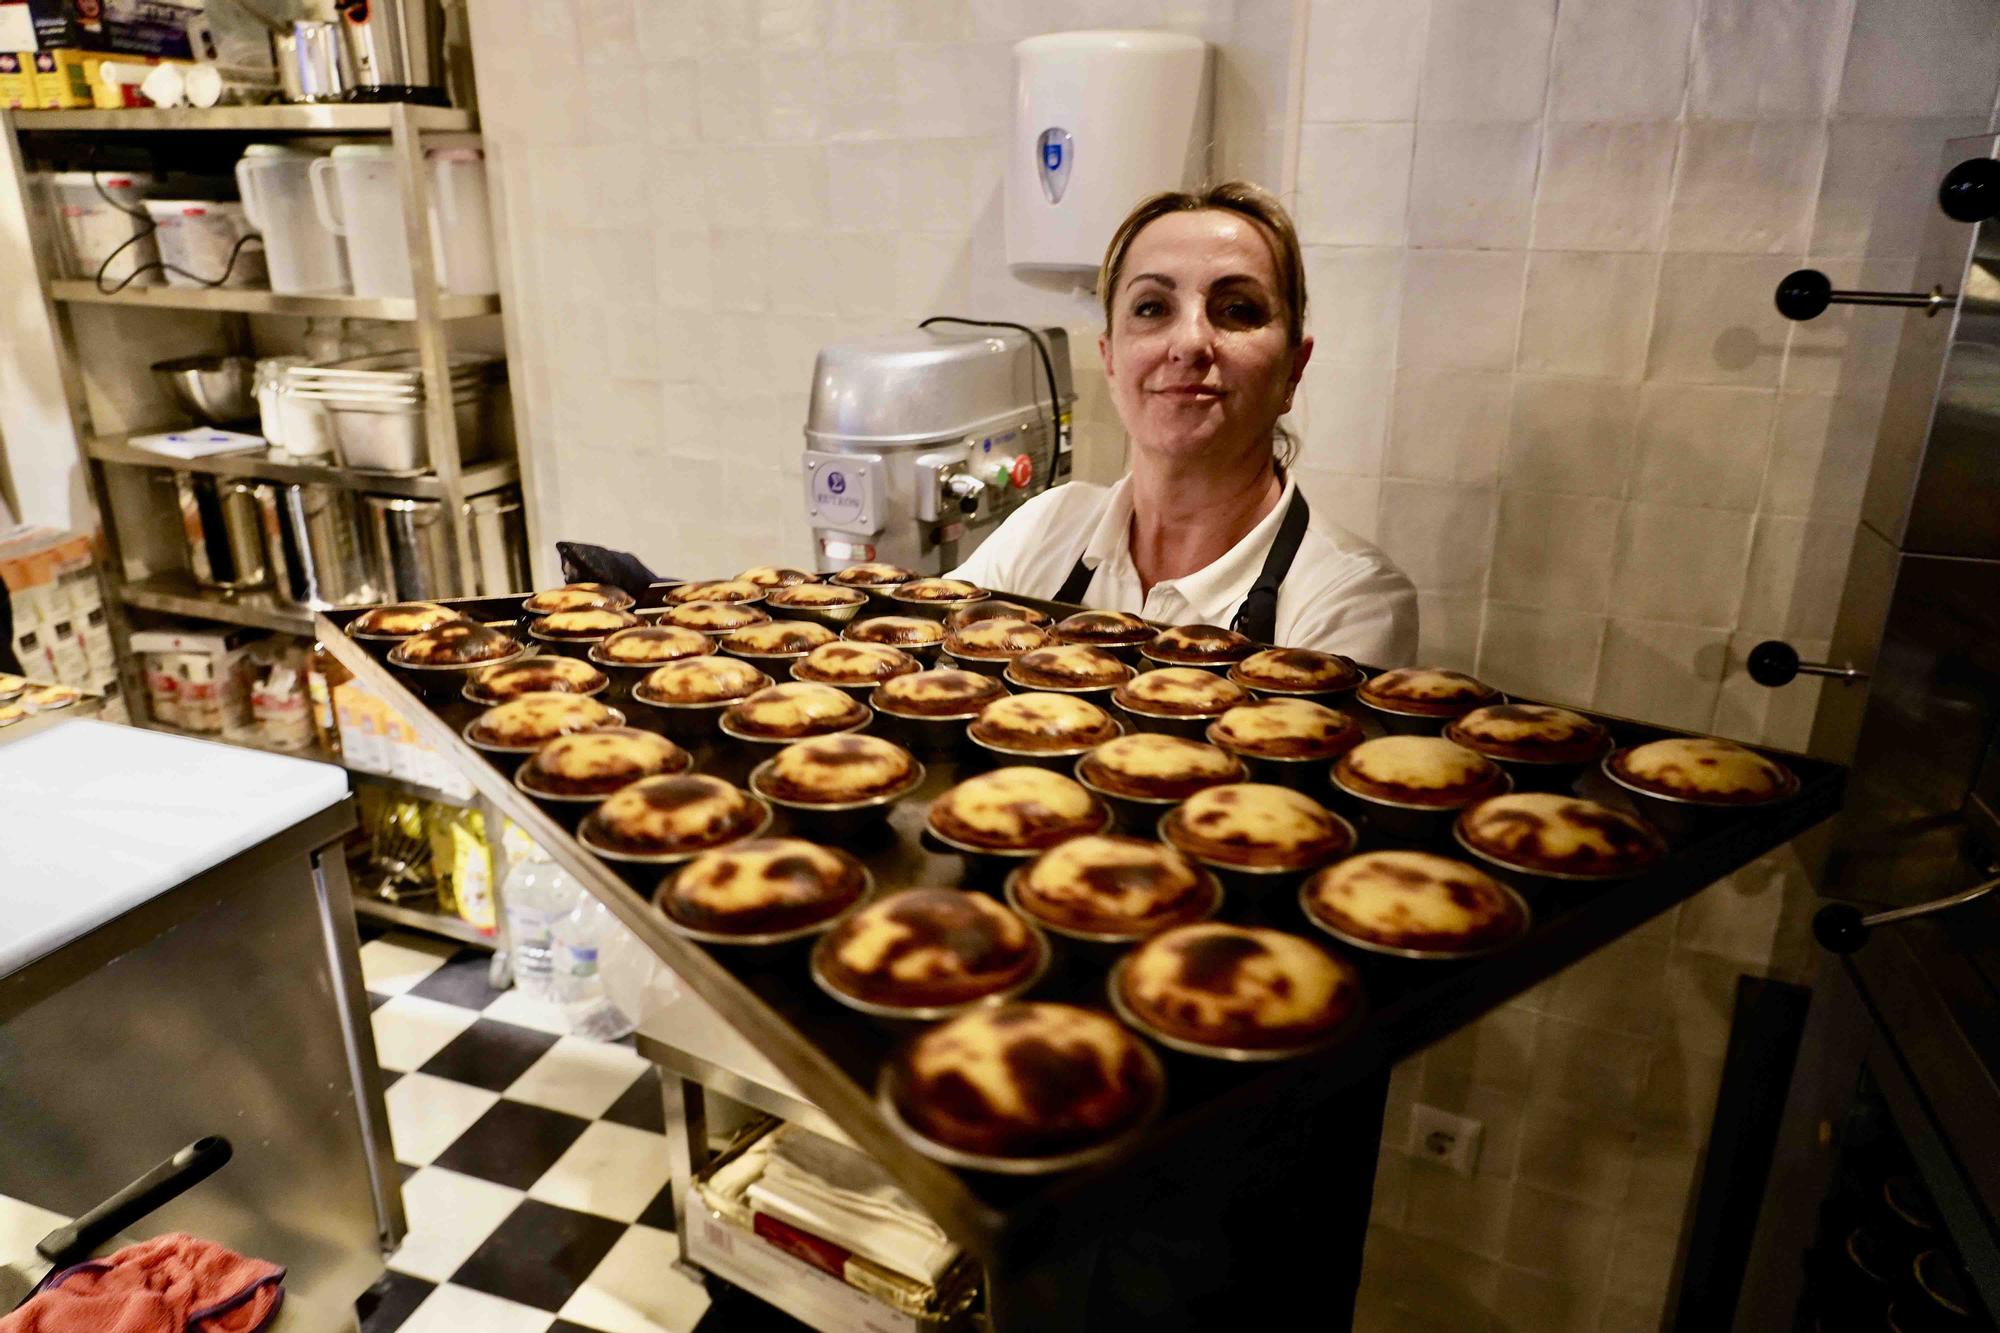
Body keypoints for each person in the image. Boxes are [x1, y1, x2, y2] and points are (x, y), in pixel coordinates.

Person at [951, 182, 1417, 664]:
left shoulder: (1350, 602)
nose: (1191, 342)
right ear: (1110, 362)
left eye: (1237, 309)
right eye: (1152, 307)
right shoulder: (1044, 527)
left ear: (1292, 370)